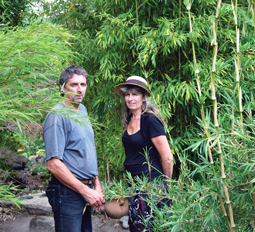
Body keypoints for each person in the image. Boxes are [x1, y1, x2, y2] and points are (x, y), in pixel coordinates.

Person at [43, 65, 105, 232]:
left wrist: (96, 184)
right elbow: (53, 164)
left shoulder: (82, 110)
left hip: (86, 188)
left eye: (83, 85)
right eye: (74, 85)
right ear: (63, 88)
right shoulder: (57, 116)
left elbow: (87, 150)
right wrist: (86, 191)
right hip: (67, 192)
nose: (79, 90)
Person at [114, 76, 173, 232]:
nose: (130, 98)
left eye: (135, 94)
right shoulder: (129, 118)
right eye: (127, 94)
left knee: (151, 227)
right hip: (134, 186)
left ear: (143, 97)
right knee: (136, 227)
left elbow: (167, 158)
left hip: (151, 185)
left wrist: (165, 186)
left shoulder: (150, 120)